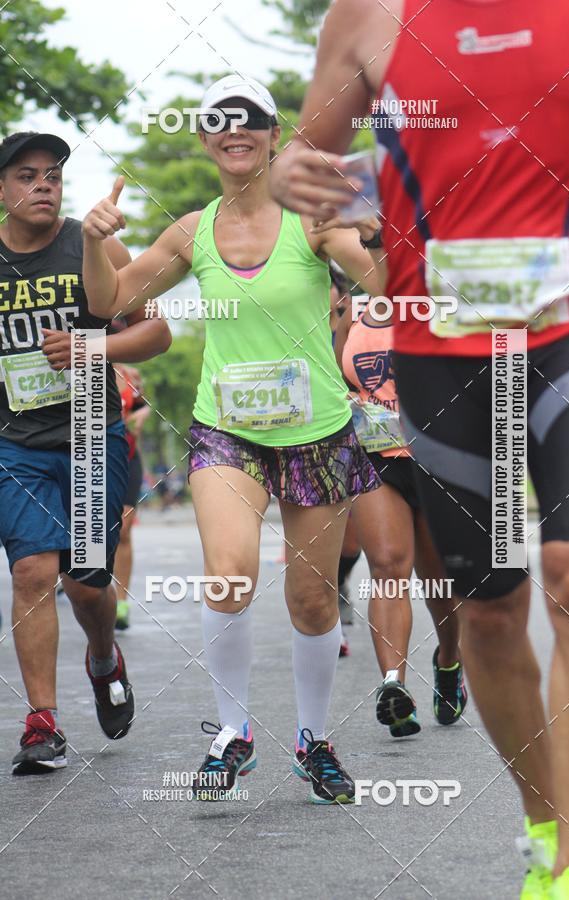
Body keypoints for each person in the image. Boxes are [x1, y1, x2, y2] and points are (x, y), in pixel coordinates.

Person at [270, 2, 569, 896]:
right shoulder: (370, 15)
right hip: (444, 337)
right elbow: (302, 158)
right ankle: (544, 823)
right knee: (488, 606)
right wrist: (298, 178)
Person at [81, 75, 387, 805]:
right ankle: (233, 733)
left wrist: (368, 229)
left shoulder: (310, 221)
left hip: (316, 432)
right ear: (205, 137)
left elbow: (374, 274)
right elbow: (110, 303)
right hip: (229, 433)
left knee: (313, 601)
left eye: (249, 118)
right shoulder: (191, 230)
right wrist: (96, 244)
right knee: (228, 574)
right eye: (219, 119)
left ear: (274, 134)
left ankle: (313, 739)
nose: (234, 129)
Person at [0, 131, 171, 775]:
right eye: (26, 176)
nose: (43, 185)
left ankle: (103, 656)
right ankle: (42, 722)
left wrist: (90, 348)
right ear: (2, 190)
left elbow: (156, 333)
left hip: (93, 436)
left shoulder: (89, 243)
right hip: (14, 444)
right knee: (32, 572)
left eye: (53, 175)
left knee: (87, 582)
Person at [334, 294, 466, 735]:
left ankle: (449, 660)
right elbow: (336, 377)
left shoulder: (442, 298)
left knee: (439, 581)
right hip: (376, 456)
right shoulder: (352, 309)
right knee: (388, 565)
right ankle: (395, 688)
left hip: (437, 459)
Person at [328, 262, 361, 652]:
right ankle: (325, 620)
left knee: (352, 541)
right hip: (310, 433)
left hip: (363, 431)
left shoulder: (358, 318)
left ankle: (339, 582)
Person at [113, 360, 150, 630]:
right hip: (87, 460)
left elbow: (142, 406)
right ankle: (91, 591)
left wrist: (141, 415)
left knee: (124, 528)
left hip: (127, 459)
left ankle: (120, 601)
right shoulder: (76, 366)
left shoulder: (129, 375)